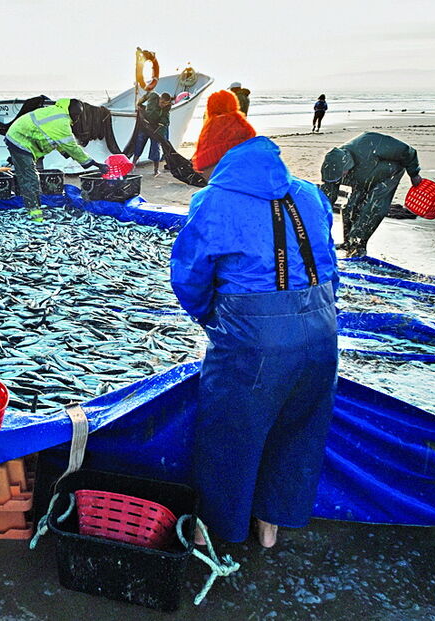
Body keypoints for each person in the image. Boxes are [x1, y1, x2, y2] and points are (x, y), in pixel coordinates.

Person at [170, 93, 339, 549]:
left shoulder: (214, 201)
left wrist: (216, 321)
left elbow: (189, 279)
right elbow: (329, 267)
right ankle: (270, 528)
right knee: (299, 431)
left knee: (230, 436)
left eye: (204, 168)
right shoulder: (308, 192)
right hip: (324, 333)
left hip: (253, 341)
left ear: (217, 161)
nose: (201, 176)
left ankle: (217, 532)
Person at [4, 98, 108, 221]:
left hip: (20, 139)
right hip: (20, 140)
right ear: (69, 111)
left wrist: (66, 153)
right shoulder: (61, 122)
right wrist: (95, 164)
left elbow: (57, 142)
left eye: (79, 115)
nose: (77, 118)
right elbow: (72, 147)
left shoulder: (57, 113)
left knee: (26, 174)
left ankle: (30, 204)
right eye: (76, 115)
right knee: (30, 178)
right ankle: (35, 213)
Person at [321, 132, 422, 258]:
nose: (341, 178)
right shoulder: (333, 167)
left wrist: (414, 173)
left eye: (343, 174)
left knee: (372, 209)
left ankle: (359, 245)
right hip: (361, 178)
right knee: (350, 208)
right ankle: (348, 242)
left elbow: (407, 151)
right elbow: (328, 196)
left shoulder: (368, 142)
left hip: (387, 175)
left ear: (347, 166)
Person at [191, 90, 255, 179]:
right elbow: (252, 138)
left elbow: (201, 152)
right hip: (242, 166)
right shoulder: (241, 122)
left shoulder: (210, 126)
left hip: (213, 170)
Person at [132, 92, 173, 176]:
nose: (162, 105)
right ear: (159, 98)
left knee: (155, 147)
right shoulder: (153, 96)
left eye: (165, 103)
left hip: (155, 128)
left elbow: (165, 120)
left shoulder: (167, 108)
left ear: (168, 103)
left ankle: (156, 169)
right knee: (139, 144)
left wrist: (161, 125)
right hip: (145, 125)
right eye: (161, 102)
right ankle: (133, 164)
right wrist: (139, 104)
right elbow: (145, 96)